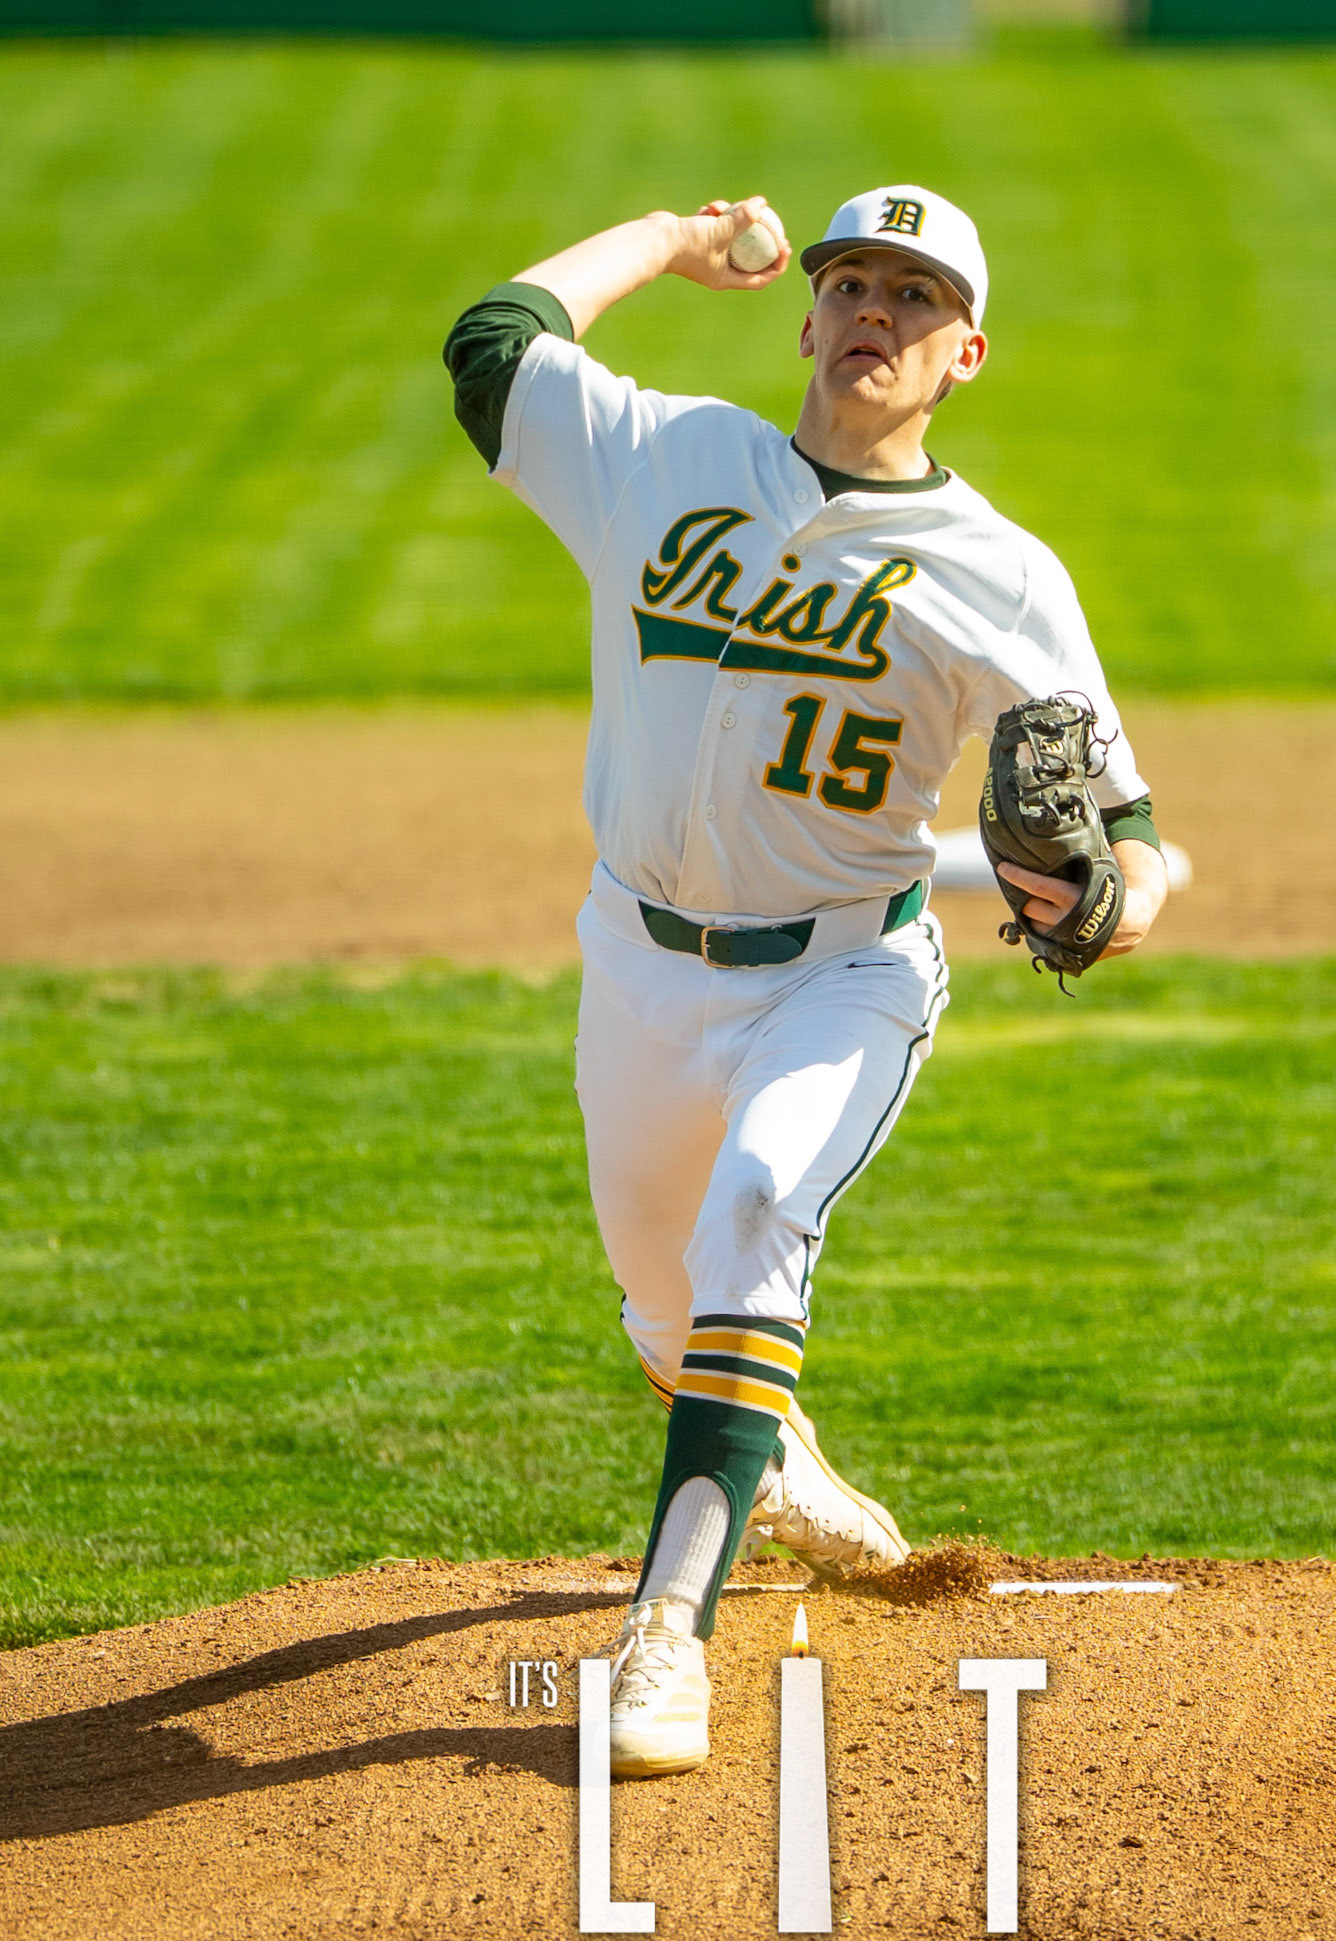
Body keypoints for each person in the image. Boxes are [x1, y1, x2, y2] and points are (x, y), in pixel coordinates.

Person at [443, 187, 1168, 1777]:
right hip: (637, 968)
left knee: (758, 1210)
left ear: (966, 352)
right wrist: (672, 237)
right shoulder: (667, 458)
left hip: (844, 974)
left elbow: (1130, 836)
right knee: (666, 1314)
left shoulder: (1004, 576)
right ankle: (776, 1461)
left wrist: (1115, 904)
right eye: (852, 283)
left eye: (917, 297)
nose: (876, 313)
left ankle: (665, 1638)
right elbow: (496, 342)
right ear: (808, 317)